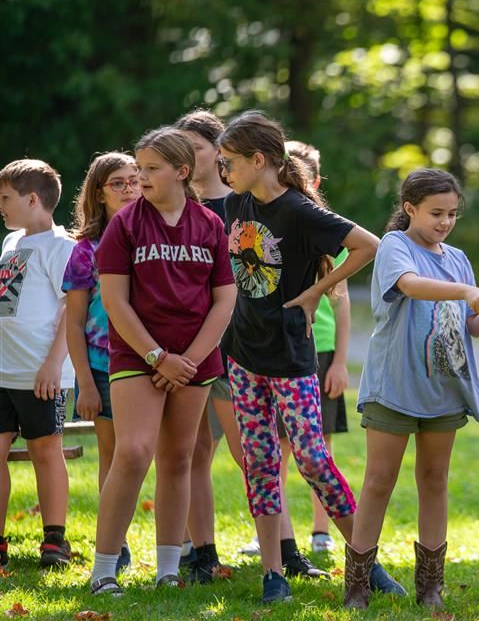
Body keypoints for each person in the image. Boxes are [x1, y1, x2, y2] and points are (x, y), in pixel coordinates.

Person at [217, 111, 401, 604]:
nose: (222, 171)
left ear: (260, 160)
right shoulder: (235, 203)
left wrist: (317, 291)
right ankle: (273, 575)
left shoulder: (300, 211)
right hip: (241, 355)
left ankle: (366, 562)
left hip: (290, 357)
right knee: (259, 462)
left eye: (229, 161)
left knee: (315, 460)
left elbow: (369, 246)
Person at [89, 127, 236, 596]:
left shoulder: (210, 224)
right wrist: (157, 356)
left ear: (182, 172)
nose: (140, 176)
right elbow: (114, 299)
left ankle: (168, 568)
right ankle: (103, 570)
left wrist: (188, 359)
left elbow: (224, 298)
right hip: (137, 355)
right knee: (133, 452)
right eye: (138, 167)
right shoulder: (127, 223)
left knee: (178, 458)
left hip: (194, 362)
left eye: (151, 168)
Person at [345, 168, 479, 610]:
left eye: (451, 214)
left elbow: (472, 326)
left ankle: (431, 586)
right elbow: (410, 286)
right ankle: (357, 585)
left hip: (444, 387)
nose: (444, 222)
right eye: (435, 213)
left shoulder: (458, 258)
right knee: (378, 481)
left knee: (434, 479)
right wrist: (466, 290)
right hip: (394, 384)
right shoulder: (395, 246)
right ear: (410, 209)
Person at [63, 152, 140, 574]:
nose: (129, 190)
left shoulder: (153, 237)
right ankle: (116, 543)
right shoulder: (84, 251)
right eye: (118, 183)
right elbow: (74, 324)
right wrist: (85, 383)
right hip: (103, 366)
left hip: (152, 363)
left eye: (134, 181)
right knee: (114, 454)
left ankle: (181, 544)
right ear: (99, 192)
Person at [0, 159, 76, 570]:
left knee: (46, 451)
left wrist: (52, 363)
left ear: (33, 199)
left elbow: (71, 311)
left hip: (39, 373)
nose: (1, 206)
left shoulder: (62, 247)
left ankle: (54, 541)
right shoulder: (10, 245)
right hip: (3, 371)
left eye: (6, 198)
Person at [173, 108, 237, 582]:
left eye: (194, 147)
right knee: (193, 449)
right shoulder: (177, 210)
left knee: (251, 453)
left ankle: (284, 548)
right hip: (190, 350)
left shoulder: (243, 204)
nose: (188, 157)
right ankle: (201, 551)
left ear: (219, 151)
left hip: (238, 347)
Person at [280, 140, 352, 555]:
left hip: (319, 352)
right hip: (279, 351)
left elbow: (341, 306)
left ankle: (321, 531)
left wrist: (339, 361)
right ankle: (278, 530)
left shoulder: (327, 231)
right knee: (279, 449)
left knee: (319, 448)